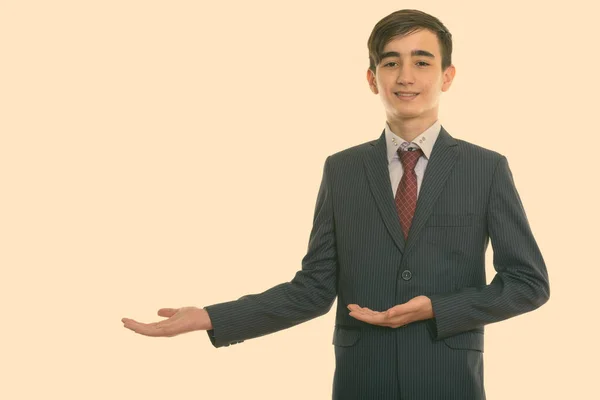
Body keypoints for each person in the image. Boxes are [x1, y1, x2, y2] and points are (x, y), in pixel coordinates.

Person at [122, 9, 550, 399]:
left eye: (422, 62)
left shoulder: (486, 168)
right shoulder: (342, 170)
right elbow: (313, 289)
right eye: (390, 62)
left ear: (447, 76)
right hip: (361, 381)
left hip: (448, 381)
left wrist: (438, 308)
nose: (405, 76)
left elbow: (529, 283)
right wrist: (211, 317)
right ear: (371, 78)